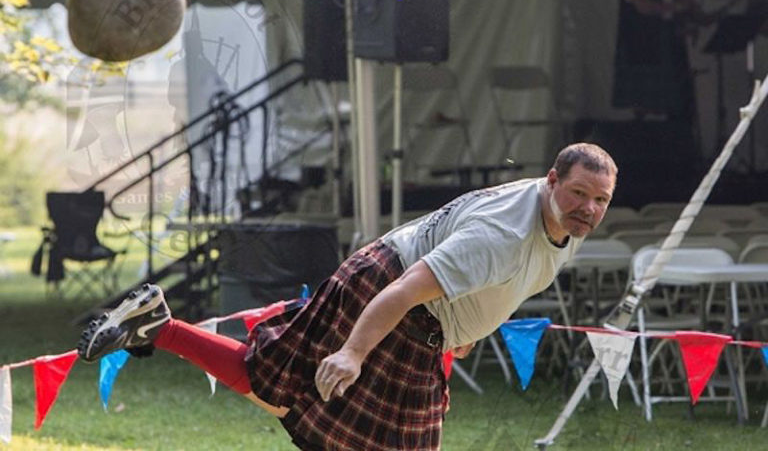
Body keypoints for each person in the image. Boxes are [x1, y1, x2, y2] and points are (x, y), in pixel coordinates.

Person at [77, 142, 617, 451]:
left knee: (283, 388)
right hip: (394, 300)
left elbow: (511, 277)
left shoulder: (562, 222)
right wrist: (352, 352)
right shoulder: (498, 237)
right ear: (550, 180)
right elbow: (407, 288)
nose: (589, 209)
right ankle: (160, 328)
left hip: (415, 305)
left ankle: (157, 325)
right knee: (293, 396)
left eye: (600, 200)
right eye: (578, 194)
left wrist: (471, 330)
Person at [612, 0, 696, 122]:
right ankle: (644, 138)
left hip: (662, 41)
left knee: (670, 97)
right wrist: (676, 7)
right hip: (642, 43)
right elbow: (642, 6)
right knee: (643, 98)